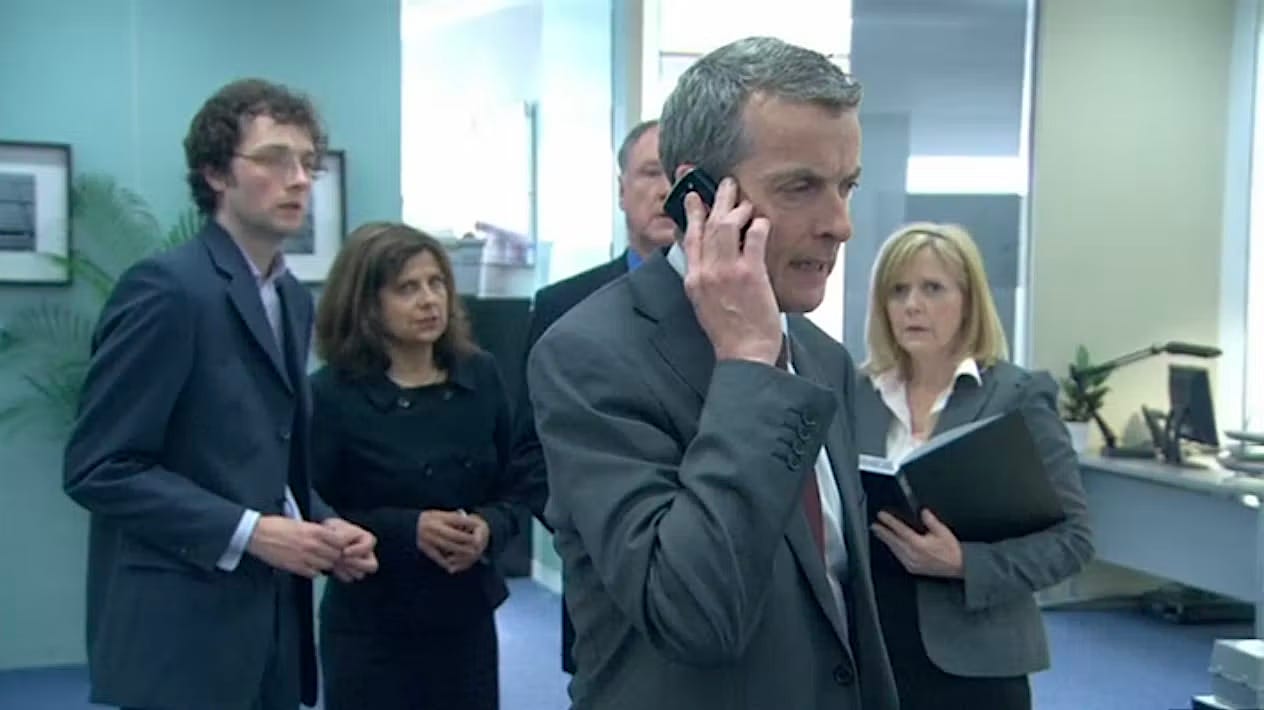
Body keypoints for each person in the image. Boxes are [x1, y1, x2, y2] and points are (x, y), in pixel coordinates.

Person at [526, 37, 899, 710]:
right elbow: (693, 613)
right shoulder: (588, 356)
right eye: (801, 187)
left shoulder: (824, 359)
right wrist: (749, 364)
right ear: (698, 197)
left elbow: (834, 590)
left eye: (846, 186)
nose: (840, 225)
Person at [62, 78, 378, 710]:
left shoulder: (289, 298)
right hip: (180, 633)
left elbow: (264, 455)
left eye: (307, 163)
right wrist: (251, 532)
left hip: (269, 630)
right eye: (273, 159)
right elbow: (99, 467)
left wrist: (321, 521)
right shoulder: (166, 290)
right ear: (215, 174)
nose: (298, 180)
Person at [855, 222, 1095, 710]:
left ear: (969, 300)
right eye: (897, 291)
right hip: (868, 649)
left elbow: (1074, 540)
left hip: (978, 660)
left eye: (932, 289)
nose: (912, 305)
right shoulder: (856, 394)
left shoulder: (1016, 398)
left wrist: (966, 563)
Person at [310, 222, 530, 710]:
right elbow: (312, 507)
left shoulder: (481, 376)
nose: (430, 300)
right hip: (372, 627)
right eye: (407, 288)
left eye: (436, 284)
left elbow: (518, 486)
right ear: (366, 304)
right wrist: (409, 529)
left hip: (463, 619)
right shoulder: (330, 395)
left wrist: (488, 529)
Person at [509, 118, 676, 674]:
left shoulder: (739, 308)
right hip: (601, 576)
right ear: (622, 189)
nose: (663, 191)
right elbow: (529, 449)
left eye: (677, 175)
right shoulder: (563, 306)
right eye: (650, 173)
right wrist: (589, 524)